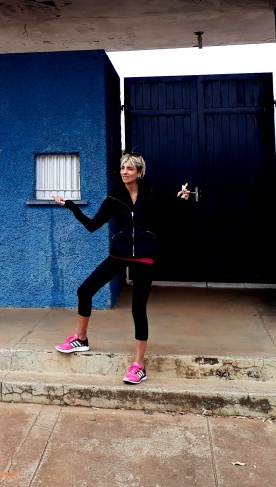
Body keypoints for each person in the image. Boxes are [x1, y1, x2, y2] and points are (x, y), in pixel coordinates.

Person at [53, 152, 190, 384]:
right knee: (84, 291)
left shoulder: (150, 195)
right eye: (122, 168)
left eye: (129, 168)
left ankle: (139, 365)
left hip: (144, 257)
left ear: (139, 172)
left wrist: (181, 199)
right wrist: (70, 206)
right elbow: (92, 225)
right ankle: (81, 338)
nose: (124, 172)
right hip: (119, 254)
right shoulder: (115, 197)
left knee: (138, 310)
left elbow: (167, 214)